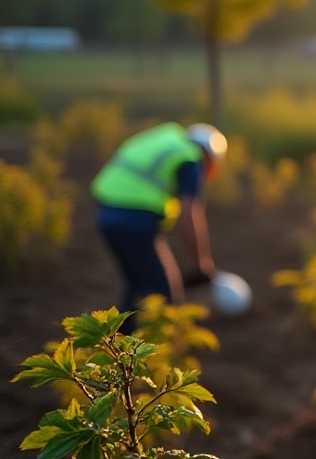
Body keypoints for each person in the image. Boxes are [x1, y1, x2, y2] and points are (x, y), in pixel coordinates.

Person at [91, 121, 228, 333]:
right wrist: (201, 265)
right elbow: (190, 217)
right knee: (163, 298)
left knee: (138, 288)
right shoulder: (191, 158)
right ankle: (158, 353)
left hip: (107, 214)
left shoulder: (167, 139)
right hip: (134, 221)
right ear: (209, 155)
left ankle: (114, 348)